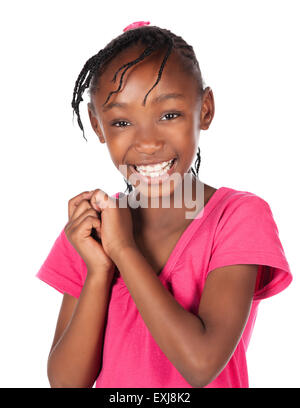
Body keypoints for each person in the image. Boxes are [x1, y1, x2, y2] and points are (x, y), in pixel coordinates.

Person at [36, 21, 292, 388]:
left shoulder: (237, 217)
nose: (148, 142)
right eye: (121, 121)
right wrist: (98, 272)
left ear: (204, 109)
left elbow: (201, 364)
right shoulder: (91, 230)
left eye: (168, 115)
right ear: (97, 126)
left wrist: (124, 250)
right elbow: (66, 382)